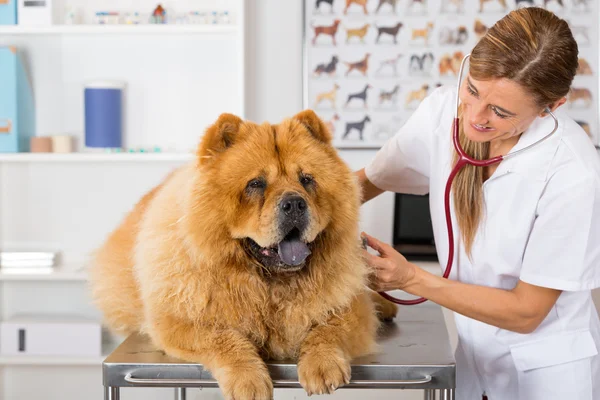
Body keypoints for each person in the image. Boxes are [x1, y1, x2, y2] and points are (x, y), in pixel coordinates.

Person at [357, 7, 600, 400]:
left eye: (500, 112)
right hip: (475, 360)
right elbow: (364, 184)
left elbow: (526, 311)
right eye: (471, 89)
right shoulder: (440, 112)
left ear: (551, 107)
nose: (474, 116)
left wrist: (411, 279)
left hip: (548, 374)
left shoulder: (572, 172)